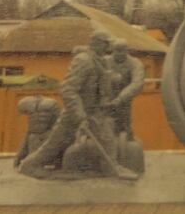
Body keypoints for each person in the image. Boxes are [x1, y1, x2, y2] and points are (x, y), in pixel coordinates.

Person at [19, 30, 124, 179]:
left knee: (107, 138)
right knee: (57, 142)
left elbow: (101, 83)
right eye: (107, 44)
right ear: (98, 44)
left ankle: (112, 168)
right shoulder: (84, 60)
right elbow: (68, 89)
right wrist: (79, 115)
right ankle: (29, 166)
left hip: (93, 111)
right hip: (77, 111)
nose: (109, 48)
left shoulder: (100, 60)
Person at [104, 39, 145, 140]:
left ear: (127, 51)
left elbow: (137, 83)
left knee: (124, 127)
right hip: (105, 99)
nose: (118, 53)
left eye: (121, 50)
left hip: (124, 100)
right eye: (116, 50)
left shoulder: (135, 63)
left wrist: (120, 98)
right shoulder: (105, 61)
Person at [14, 95, 60, 167]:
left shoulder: (27, 105)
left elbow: (31, 132)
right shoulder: (52, 104)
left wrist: (19, 156)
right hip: (50, 134)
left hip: (44, 134)